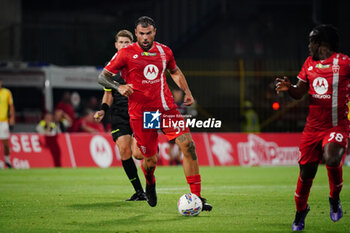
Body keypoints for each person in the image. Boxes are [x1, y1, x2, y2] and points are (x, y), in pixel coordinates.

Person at [98, 16, 212, 211]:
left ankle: (197, 197)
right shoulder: (126, 53)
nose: (144, 37)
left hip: (166, 109)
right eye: (141, 34)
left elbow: (174, 71)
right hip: (143, 114)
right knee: (149, 160)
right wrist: (119, 87)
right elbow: (103, 76)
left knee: (188, 145)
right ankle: (150, 181)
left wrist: (187, 91)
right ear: (136, 33)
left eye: (148, 33)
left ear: (154, 32)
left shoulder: (164, 51)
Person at [275, 24, 349, 231]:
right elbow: (300, 93)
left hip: (336, 125)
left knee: (332, 157)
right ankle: (301, 211)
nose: (308, 45)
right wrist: (290, 88)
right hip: (312, 129)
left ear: (321, 43)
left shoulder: (344, 63)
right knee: (306, 173)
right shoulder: (309, 64)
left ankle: (334, 198)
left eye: (311, 41)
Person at [94, 29, 146, 201]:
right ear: (116, 45)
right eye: (121, 43)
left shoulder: (140, 62)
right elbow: (108, 93)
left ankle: (150, 179)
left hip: (140, 111)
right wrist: (103, 109)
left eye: (127, 43)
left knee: (139, 154)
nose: (124, 45)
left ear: (132, 44)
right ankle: (139, 192)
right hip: (119, 113)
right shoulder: (111, 67)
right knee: (124, 152)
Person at [0, 80, 15, 168]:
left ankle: (7, 160)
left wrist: (12, 117)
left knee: (5, 143)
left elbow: (11, 105)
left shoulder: (7, 92)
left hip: (4, 121)